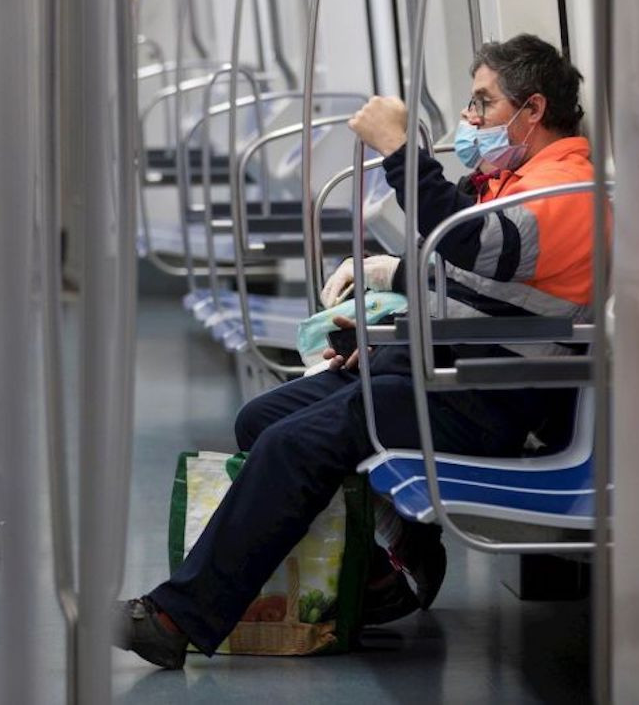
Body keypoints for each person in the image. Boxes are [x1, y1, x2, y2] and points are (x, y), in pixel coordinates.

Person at [116, 33, 596, 670]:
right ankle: (379, 574)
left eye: (482, 104)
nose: (470, 119)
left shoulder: (566, 192)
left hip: (492, 394)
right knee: (260, 421)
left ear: (532, 110)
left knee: (297, 444)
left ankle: (178, 617)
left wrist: (401, 150)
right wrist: (380, 329)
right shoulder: (513, 179)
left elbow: (472, 247)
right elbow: (473, 290)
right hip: (443, 368)